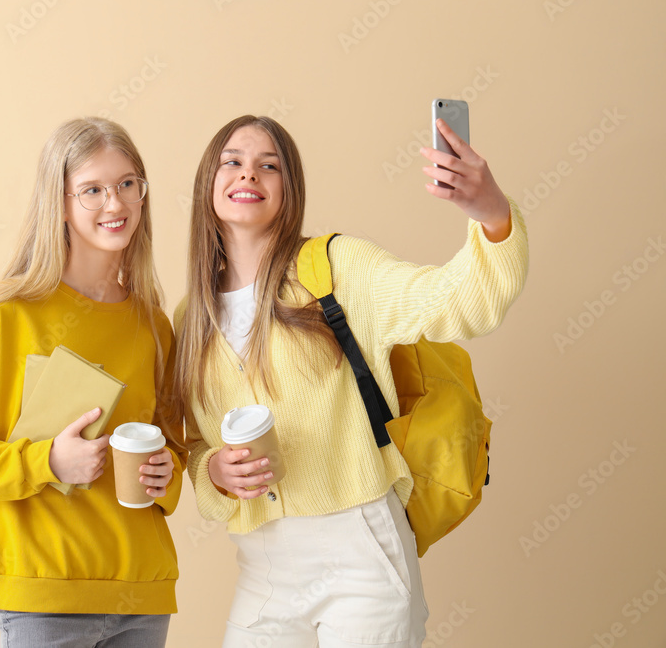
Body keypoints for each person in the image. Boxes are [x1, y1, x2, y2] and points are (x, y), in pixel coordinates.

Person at [174, 115, 528, 647]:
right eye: (233, 162)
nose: (249, 174)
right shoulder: (190, 319)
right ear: (209, 183)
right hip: (264, 568)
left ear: (288, 191)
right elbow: (197, 446)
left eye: (269, 165)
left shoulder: (336, 267)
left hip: (361, 550)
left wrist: (492, 214)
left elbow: (456, 302)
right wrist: (216, 471)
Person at [0, 117, 185, 648]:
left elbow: (173, 448)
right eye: (93, 190)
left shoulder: (154, 327)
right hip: (43, 595)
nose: (116, 203)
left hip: (142, 593)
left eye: (129, 183)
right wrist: (48, 462)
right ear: (58, 203)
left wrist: (163, 473)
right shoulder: (6, 316)